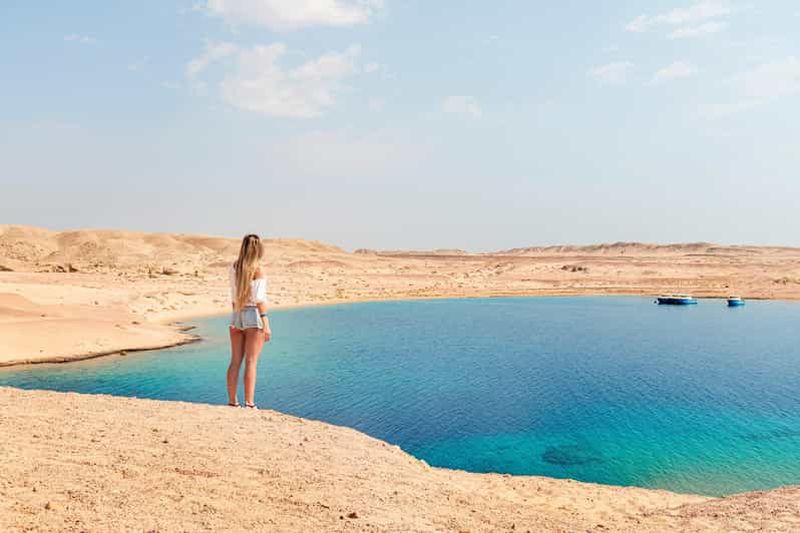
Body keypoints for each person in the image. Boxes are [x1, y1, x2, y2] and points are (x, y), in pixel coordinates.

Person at [227, 234, 272, 408]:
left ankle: (232, 401)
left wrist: (235, 316)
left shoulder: (234, 267)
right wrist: (266, 324)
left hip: (237, 313)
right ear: (259, 249)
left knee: (235, 361)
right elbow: (259, 299)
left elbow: (233, 295)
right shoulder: (258, 269)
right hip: (254, 314)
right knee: (251, 362)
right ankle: (250, 403)